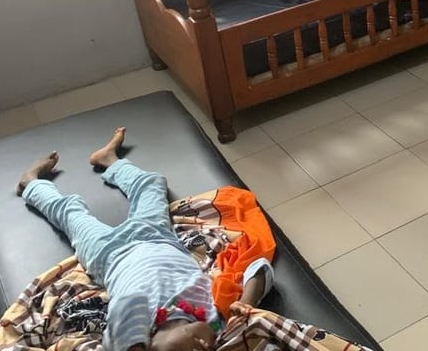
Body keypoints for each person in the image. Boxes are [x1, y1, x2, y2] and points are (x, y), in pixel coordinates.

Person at [16, 128, 272, 351]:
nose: (201, 347)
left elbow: (126, 311)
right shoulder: (217, 321)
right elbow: (259, 268)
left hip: (107, 255)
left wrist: (135, 342)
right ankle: (110, 160)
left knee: (69, 213)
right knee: (152, 184)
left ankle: (31, 185)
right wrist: (243, 306)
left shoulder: (131, 331)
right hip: (158, 236)